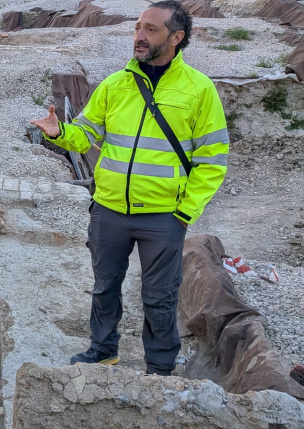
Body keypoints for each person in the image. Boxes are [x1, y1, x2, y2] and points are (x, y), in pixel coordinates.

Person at [29, 1, 228, 376]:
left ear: (176, 37)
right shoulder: (115, 83)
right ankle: (103, 349)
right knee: (105, 287)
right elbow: (87, 133)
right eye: (138, 27)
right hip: (109, 210)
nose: (139, 35)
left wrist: (184, 212)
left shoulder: (199, 90)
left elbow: (213, 161)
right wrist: (61, 133)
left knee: (159, 297)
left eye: (151, 29)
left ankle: (160, 369)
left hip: (163, 217)